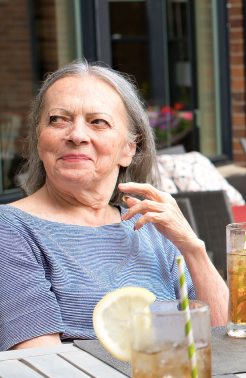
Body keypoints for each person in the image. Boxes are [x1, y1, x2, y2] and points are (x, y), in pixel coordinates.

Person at [0, 61, 228, 351]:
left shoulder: (150, 226)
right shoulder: (11, 229)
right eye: (58, 119)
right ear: (39, 139)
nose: (77, 135)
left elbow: (223, 337)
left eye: (98, 122)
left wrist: (193, 249)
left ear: (129, 149)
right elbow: (42, 363)